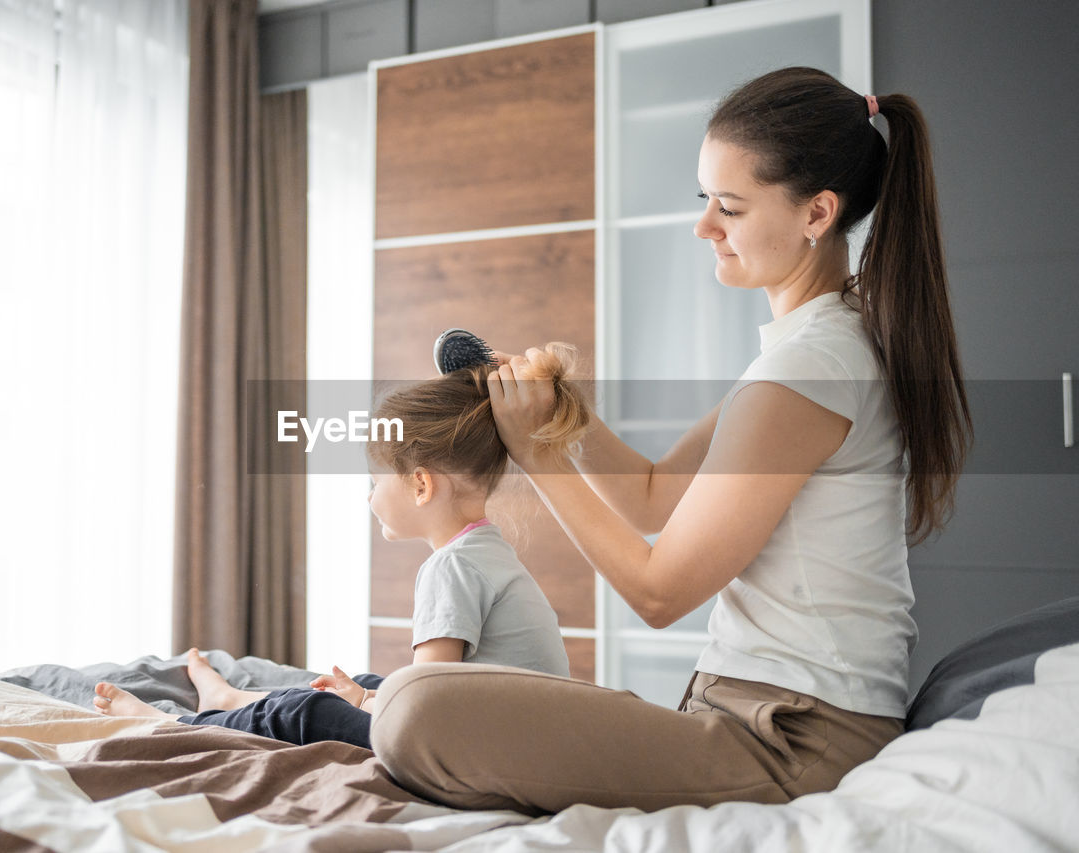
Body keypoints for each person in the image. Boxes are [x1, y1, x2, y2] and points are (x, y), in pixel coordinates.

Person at [370, 66, 974, 815]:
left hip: (794, 743)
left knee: (411, 710)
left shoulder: (808, 370)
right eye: (704, 200)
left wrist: (539, 454)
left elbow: (659, 592)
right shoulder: (814, 349)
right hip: (765, 720)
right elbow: (652, 497)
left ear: (817, 212)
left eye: (729, 206)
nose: (704, 227)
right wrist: (564, 413)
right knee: (411, 703)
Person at [93, 350, 590, 749]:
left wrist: (367, 705)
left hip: (476, 758)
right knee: (365, 683)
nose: (369, 496)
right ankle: (230, 697)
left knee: (306, 712)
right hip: (510, 742)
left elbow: (426, 705)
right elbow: (445, 687)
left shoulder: (451, 567)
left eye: (374, 481)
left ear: (420, 485)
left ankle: (174, 726)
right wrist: (366, 696)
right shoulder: (488, 552)